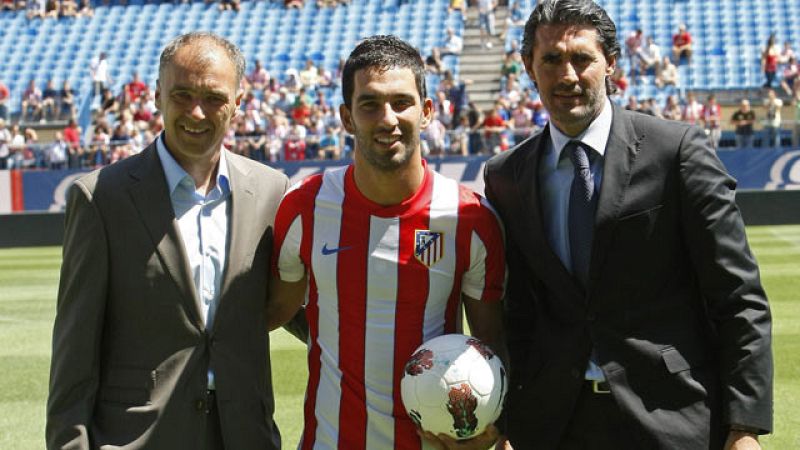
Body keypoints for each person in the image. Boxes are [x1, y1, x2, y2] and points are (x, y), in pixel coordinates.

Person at [483, 1, 773, 449]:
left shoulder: (676, 151)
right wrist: (505, 422)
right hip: (553, 426)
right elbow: (517, 313)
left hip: (671, 419)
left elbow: (736, 295)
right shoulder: (505, 175)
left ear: (611, 64)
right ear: (528, 66)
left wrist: (745, 428)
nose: (568, 75)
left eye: (582, 58)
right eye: (552, 60)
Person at [46, 32, 289, 450]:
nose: (197, 111)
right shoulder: (101, 197)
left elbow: (310, 311)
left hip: (245, 436)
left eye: (214, 96)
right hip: (138, 439)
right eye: (182, 94)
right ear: (157, 96)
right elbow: (75, 353)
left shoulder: (272, 192)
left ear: (238, 100)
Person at [266, 35, 507, 450]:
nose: (387, 118)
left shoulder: (471, 218)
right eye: (370, 104)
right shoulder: (304, 207)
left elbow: (493, 344)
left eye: (401, 102)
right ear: (345, 116)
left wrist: (497, 430)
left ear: (427, 111)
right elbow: (273, 312)